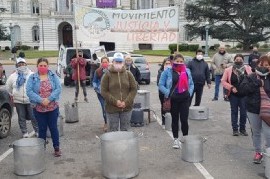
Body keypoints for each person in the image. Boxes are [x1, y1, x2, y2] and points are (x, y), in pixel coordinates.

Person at [26, 58, 62, 157]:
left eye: (44, 65)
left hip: (52, 107)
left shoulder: (53, 76)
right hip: (39, 108)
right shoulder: (32, 78)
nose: (42, 67)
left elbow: (59, 88)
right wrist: (41, 100)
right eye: (40, 65)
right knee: (42, 129)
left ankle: (56, 147)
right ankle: (42, 148)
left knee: (53, 128)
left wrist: (49, 99)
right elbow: (29, 91)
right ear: (37, 66)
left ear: (48, 66)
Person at [239, 55, 270, 164]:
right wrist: (257, 83)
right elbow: (242, 90)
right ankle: (258, 152)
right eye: (261, 64)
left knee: (268, 133)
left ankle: (268, 153)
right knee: (256, 132)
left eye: (267, 65)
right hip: (253, 109)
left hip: (268, 111)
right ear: (257, 65)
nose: (264, 67)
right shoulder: (251, 76)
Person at [159, 54, 194, 149]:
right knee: (175, 120)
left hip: (184, 99)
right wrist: (168, 93)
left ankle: (185, 138)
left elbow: (191, 84)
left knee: (184, 119)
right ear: (173, 61)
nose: (179, 63)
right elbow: (161, 85)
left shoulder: (187, 71)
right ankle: (176, 139)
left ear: (183, 62)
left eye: (181, 61)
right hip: (173, 99)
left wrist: (189, 93)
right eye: (177, 61)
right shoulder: (167, 72)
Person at [101, 52, 137, 131]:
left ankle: (124, 144)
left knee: (125, 130)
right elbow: (104, 91)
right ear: (113, 62)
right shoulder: (107, 75)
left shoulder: (128, 74)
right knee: (113, 130)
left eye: (120, 62)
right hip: (111, 108)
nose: (118, 64)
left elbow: (134, 89)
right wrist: (115, 102)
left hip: (126, 108)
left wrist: (126, 102)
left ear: (123, 63)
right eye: (116, 62)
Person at [6, 57, 38, 138]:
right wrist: (12, 94)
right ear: (16, 65)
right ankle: (24, 132)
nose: (21, 65)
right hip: (18, 101)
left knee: (33, 116)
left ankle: (37, 131)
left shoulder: (32, 74)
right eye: (19, 64)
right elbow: (8, 87)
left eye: (23, 64)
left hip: (30, 100)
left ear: (26, 64)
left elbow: (36, 86)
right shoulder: (13, 76)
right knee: (21, 117)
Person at [221, 54, 252, 136]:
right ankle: (235, 129)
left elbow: (252, 80)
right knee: (234, 112)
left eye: (240, 59)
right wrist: (231, 87)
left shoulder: (248, 69)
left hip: (244, 94)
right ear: (234, 60)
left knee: (243, 112)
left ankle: (242, 129)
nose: (238, 60)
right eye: (237, 59)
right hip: (233, 95)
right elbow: (223, 81)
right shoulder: (228, 70)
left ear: (243, 60)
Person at [93, 56, 110, 132]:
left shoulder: (112, 71)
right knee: (104, 108)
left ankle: (113, 123)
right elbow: (94, 81)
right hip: (101, 94)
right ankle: (106, 123)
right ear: (101, 63)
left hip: (110, 94)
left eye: (106, 62)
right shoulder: (97, 71)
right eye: (103, 62)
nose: (104, 63)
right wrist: (96, 88)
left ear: (108, 63)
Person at [157, 58, 172, 129]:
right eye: (166, 64)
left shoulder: (172, 72)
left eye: (169, 63)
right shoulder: (160, 72)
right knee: (163, 106)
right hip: (162, 92)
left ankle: (170, 120)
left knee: (170, 106)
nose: (168, 65)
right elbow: (159, 83)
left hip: (170, 93)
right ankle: (164, 120)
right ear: (164, 64)